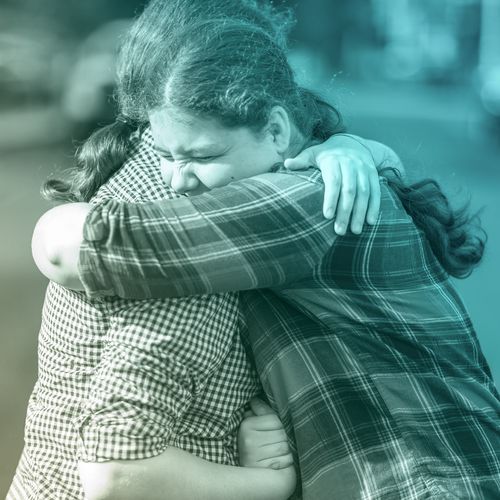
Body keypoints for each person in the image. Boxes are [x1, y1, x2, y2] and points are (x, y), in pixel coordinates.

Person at [9, 2, 402, 499]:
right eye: (185, 156)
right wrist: (270, 482)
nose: (181, 176)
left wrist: (349, 149)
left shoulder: (164, 156)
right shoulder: (191, 253)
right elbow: (116, 474)